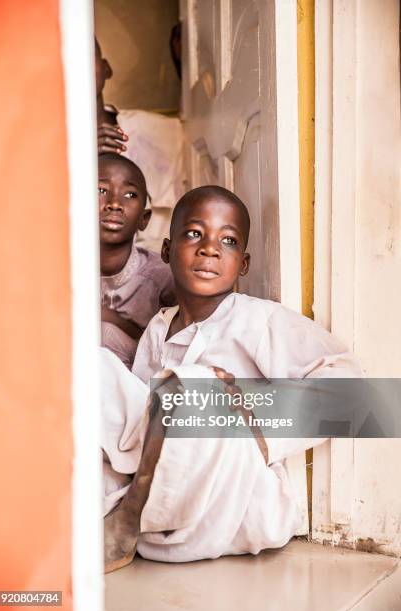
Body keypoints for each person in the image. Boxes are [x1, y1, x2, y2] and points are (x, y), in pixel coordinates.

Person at [102, 185, 363, 571]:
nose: (210, 248)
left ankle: (132, 513)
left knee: (193, 387)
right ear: (167, 251)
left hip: (232, 494)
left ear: (243, 263)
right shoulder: (158, 329)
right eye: (194, 234)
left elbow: (351, 385)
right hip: (166, 472)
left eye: (228, 240)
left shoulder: (260, 319)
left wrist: (250, 412)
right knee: (94, 363)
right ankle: (134, 502)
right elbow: (140, 421)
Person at [95, 38, 184, 253]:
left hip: (157, 257)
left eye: (87, 56)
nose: (78, 64)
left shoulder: (149, 129)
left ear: (107, 68)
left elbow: (207, 132)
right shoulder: (46, 145)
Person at [99, 153, 176, 369]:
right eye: (101, 190)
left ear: (144, 219)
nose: (114, 204)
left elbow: (176, 346)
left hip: (138, 383)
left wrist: (113, 319)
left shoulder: (161, 277)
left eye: (130, 194)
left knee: (105, 334)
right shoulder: (61, 268)